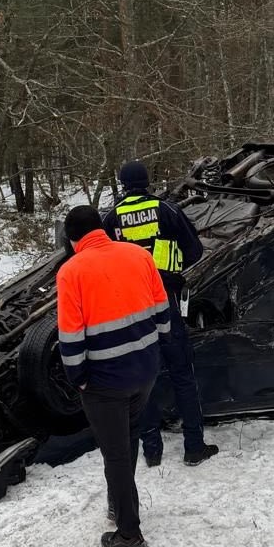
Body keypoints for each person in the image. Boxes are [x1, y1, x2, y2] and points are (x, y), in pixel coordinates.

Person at [57, 205, 170, 547]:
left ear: (72, 239)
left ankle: (128, 532)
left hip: (105, 380)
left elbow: (71, 335)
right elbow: (162, 309)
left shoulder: (71, 272)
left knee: (115, 453)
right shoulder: (138, 255)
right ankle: (117, 503)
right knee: (128, 438)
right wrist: (156, 351)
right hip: (144, 369)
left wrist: (78, 378)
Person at [102, 160, 219, 468]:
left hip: (129, 307)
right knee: (182, 373)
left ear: (123, 184)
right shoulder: (166, 210)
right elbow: (194, 250)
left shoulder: (111, 217)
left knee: (143, 376)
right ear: (147, 182)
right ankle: (194, 446)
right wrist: (171, 266)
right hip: (164, 297)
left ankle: (152, 450)